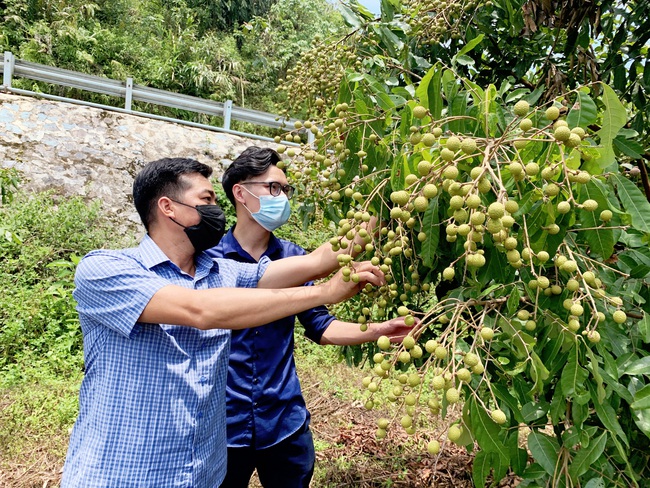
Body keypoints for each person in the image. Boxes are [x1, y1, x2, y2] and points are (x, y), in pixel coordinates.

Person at [60, 157, 386, 488]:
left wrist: (388, 188)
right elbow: (200, 310)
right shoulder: (105, 269)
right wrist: (325, 293)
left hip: (203, 475)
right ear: (168, 207)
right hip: (125, 477)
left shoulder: (223, 272)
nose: (218, 210)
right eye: (207, 200)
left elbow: (318, 261)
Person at [206, 147, 413, 488]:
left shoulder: (292, 256)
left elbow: (321, 325)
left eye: (286, 190)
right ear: (240, 193)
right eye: (274, 188)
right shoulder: (208, 261)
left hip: (284, 420)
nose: (282, 197)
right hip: (221, 426)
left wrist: (383, 330)